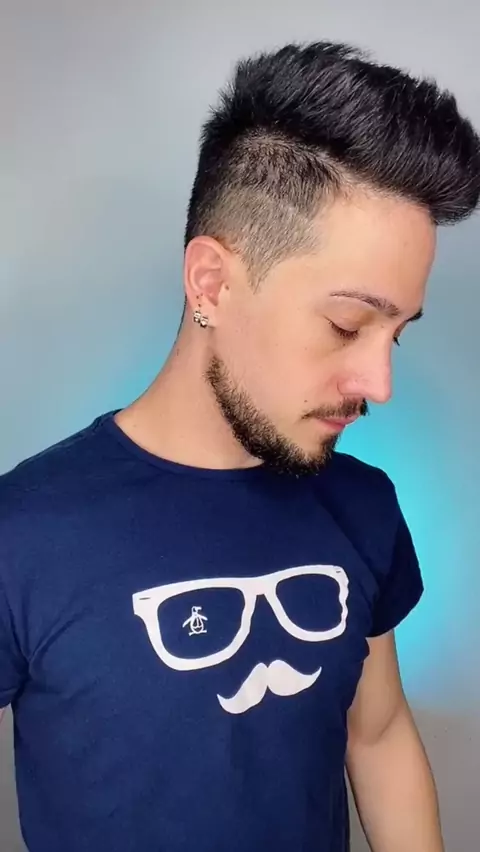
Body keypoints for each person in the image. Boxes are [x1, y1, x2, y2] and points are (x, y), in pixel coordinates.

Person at [1, 40, 479, 852]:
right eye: (347, 325)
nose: (379, 382)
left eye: (396, 333)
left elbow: (378, 734)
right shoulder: (22, 534)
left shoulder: (362, 505)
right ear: (212, 284)